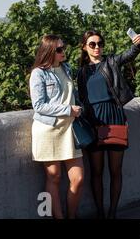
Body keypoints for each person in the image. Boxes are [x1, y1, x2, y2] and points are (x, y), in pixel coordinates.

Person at [77, 30, 140, 218]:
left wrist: (139, 43)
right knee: (96, 171)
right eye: (92, 44)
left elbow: (130, 53)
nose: (97, 47)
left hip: (114, 116)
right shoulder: (81, 72)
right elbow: (81, 98)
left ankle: (112, 212)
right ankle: (100, 212)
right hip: (93, 121)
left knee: (115, 170)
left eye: (100, 43)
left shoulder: (111, 62)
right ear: (84, 47)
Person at [29, 34, 84, 219]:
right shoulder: (38, 73)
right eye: (59, 49)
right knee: (54, 177)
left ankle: (72, 215)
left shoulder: (66, 68)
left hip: (70, 130)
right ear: (49, 51)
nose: (63, 52)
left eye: (63, 48)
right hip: (48, 130)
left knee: (78, 178)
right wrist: (67, 109)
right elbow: (39, 105)